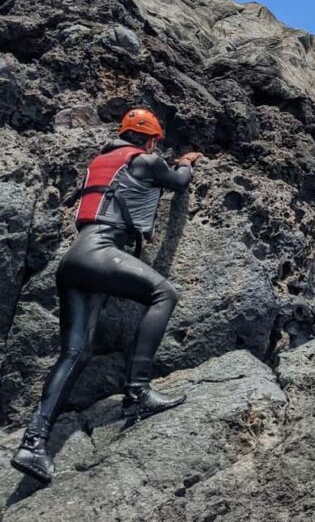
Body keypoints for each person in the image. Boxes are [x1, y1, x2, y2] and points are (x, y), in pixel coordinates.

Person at [10, 108, 203, 484]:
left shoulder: (101, 161)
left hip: (74, 260)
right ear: (150, 139)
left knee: (75, 353)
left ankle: (33, 443)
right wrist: (186, 161)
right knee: (163, 294)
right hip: (102, 251)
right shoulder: (145, 160)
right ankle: (138, 392)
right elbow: (178, 181)